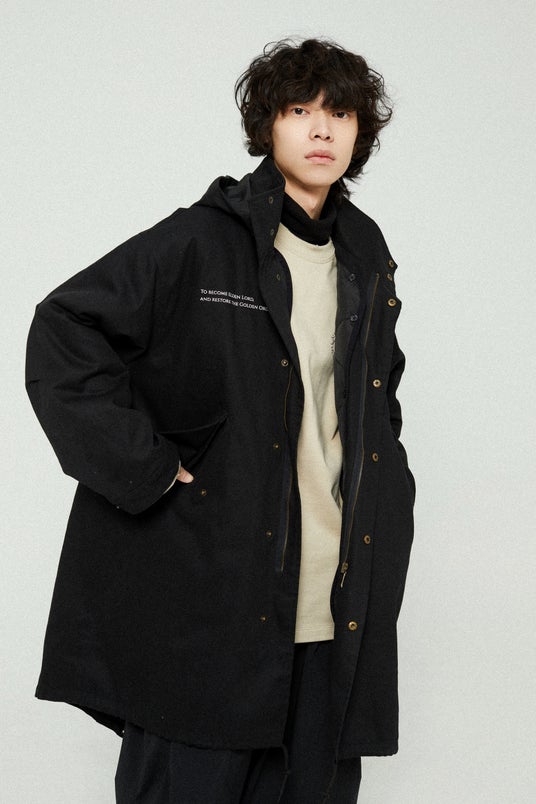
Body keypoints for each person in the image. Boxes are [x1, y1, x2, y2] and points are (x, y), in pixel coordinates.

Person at [25, 38, 415, 803]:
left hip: (333, 608)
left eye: (340, 113)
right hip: (214, 603)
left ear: (360, 132)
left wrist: (389, 492)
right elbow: (66, 327)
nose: (321, 129)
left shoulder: (366, 255)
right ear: (267, 126)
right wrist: (146, 467)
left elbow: (376, 399)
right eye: (299, 110)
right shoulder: (203, 241)